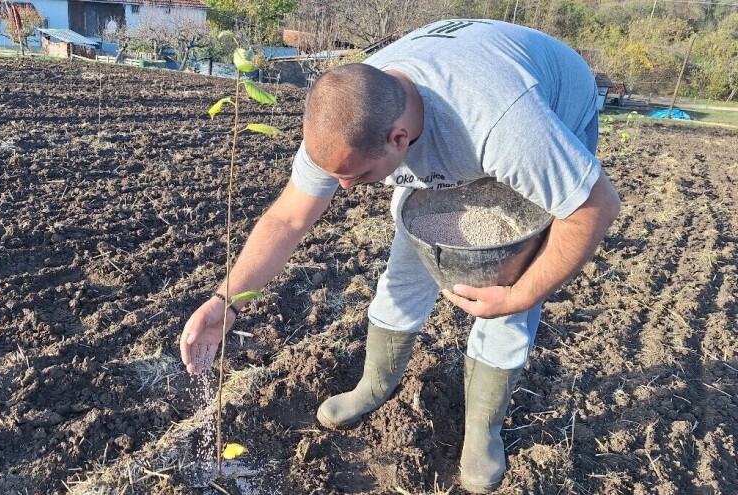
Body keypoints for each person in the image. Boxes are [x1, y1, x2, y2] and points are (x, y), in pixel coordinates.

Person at [180, 19, 621, 494]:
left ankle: (482, 430)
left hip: (548, 100)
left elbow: (594, 207)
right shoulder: (346, 116)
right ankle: (374, 384)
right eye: (337, 176)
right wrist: (226, 301)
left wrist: (520, 294)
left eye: (358, 175)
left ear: (398, 138)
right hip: (456, 120)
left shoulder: (506, 125)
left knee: (505, 273)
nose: (344, 188)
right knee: (407, 262)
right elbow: (287, 219)